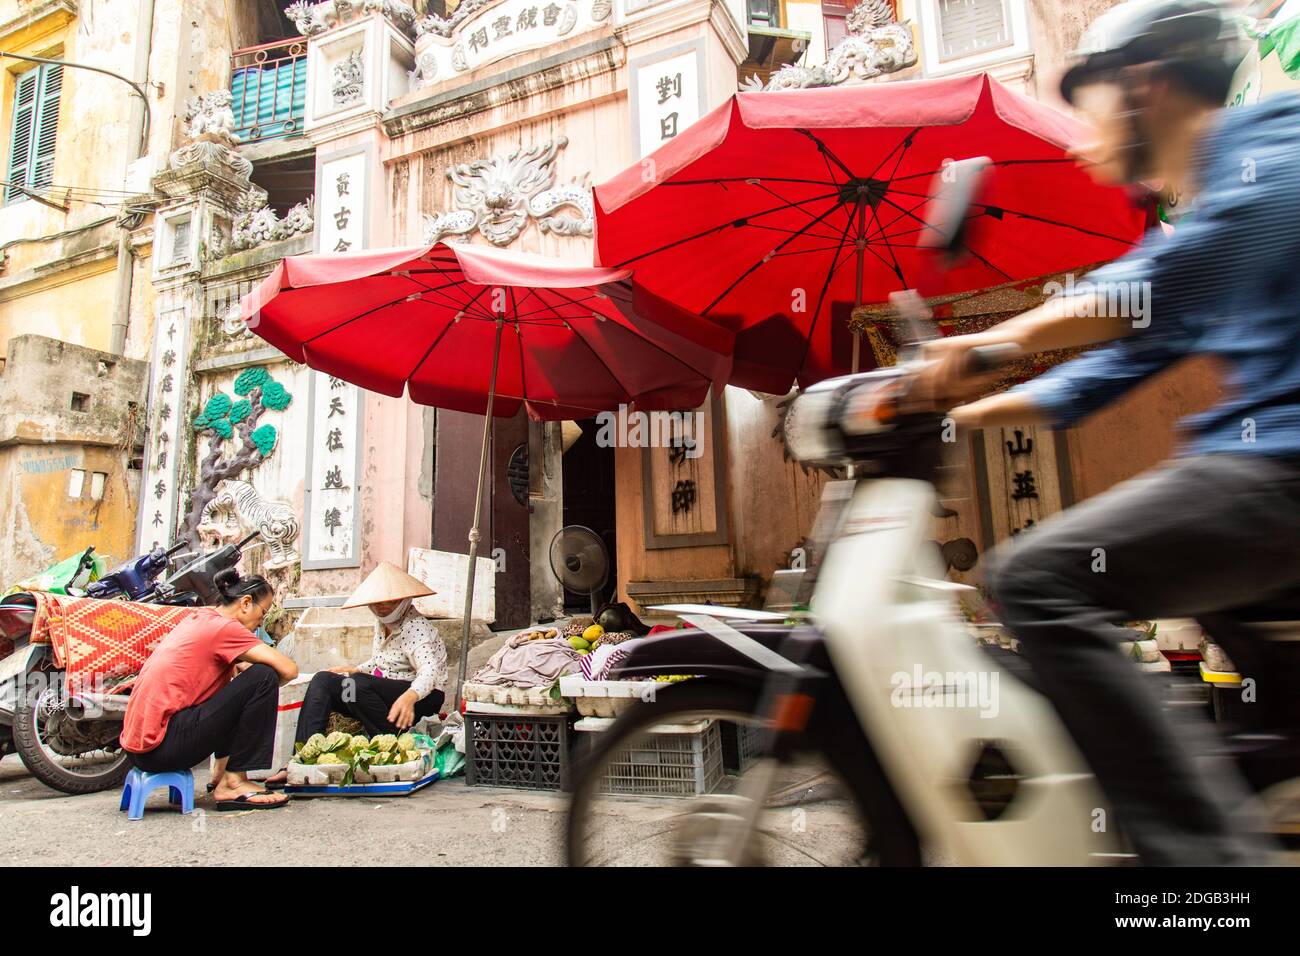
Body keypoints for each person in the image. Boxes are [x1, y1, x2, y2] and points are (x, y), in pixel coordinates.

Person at [915, 0, 1300, 864]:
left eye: (1084, 104)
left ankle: (1201, 872)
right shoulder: (1216, 194)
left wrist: (983, 343)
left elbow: (1139, 295)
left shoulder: (1270, 155)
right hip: (1268, 473)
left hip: (1283, 467)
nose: (1080, 138)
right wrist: (952, 408)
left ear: (1143, 85)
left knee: (1039, 576)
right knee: (1265, 719)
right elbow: (1106, 372)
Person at [121, 570, 299, 810]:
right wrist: (255, 694)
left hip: (140, 750)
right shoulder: (227, 629)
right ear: (246, 603)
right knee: (263, 677)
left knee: (238, 685)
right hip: (162, 747)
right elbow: (289, 670)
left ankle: (221, 773)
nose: (261, 622)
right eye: (262, 613)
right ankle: (234, 782)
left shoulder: (202, 616)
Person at [264, 562, 447, 787]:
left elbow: (429, 672)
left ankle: (392, 740)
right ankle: (300, 761)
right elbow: (384, 662)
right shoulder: (383, 625)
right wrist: (358, 668)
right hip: (386, 696)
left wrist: (410, 697)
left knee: (357, 685)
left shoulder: (416, 627)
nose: (381, 607)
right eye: (376, 602)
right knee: (324, 680)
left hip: (422, 698)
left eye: (387, 601)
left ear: (403, 600)